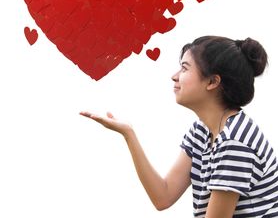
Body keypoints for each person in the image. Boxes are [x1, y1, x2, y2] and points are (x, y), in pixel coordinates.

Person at [80, 36, 278, 217]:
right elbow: (163, 196)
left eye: (184, 68)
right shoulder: (202, 131)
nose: (174, 76)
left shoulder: (235, 143)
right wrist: (128, 134)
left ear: (212, 81)